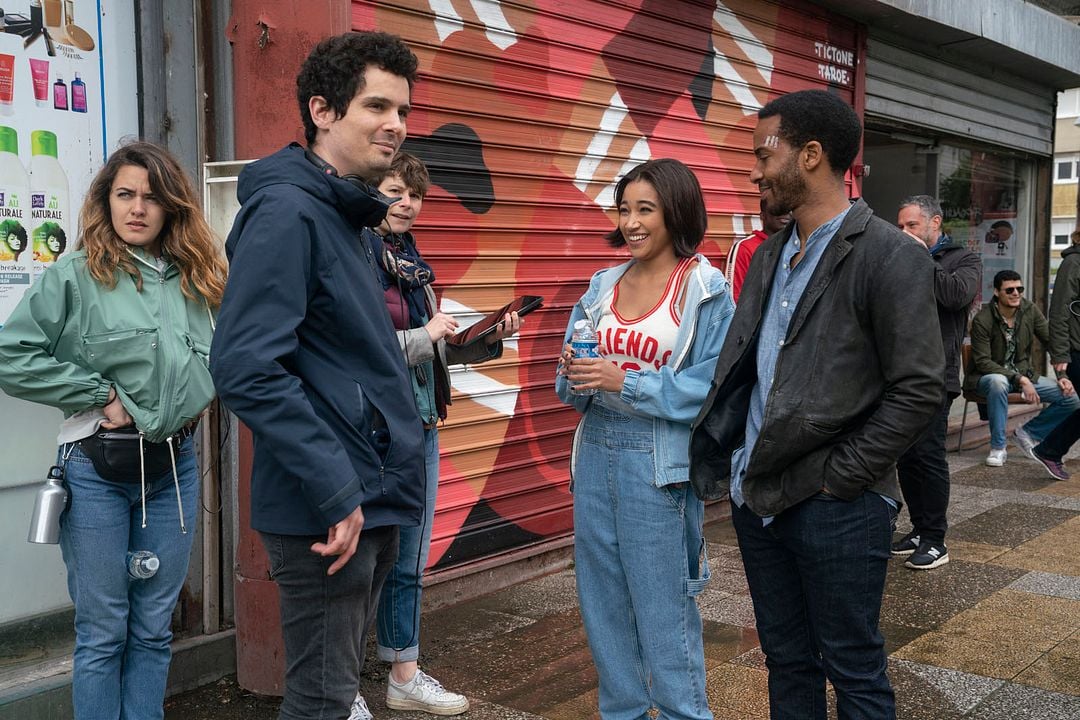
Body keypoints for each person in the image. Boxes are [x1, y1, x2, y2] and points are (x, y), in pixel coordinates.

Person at [690, 89, 945, 720]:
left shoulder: (889, 254)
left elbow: (920, 387)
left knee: (854, 669)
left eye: (763, 154)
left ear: (809, 154)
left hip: (838, 505)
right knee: (787, 662)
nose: (754, 171)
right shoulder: (770, 253)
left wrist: (843, 477)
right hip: (759, 496)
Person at [209, 32, 427, 720]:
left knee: (335, 694)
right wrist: (335, 488)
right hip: (329, 506)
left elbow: (348, 358)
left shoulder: (348, 216)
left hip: (368, 495)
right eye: (377, 106)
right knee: (322, 701)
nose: (395, 124)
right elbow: (245, 366)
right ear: (322, 111)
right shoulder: (289, 211)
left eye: (402, 110)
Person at [0, 141, 226, 719]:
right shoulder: (77, 276)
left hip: (173, 469)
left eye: (152, 197)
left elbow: (230, 356)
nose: (137, 208)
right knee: (104, 631)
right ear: (106, 201)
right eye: (125, 194)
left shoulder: (199, 279)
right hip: (95, 470)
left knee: (153, 629)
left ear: (172, 207)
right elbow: (10, 355)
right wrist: (98, 394)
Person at [556, 158, 734, 720]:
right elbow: (568, 383)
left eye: (645, 210)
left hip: (657, 460)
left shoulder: (704, 289)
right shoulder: (601, 285)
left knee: (664, 609)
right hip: (594, 451)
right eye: (624, 209)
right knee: (603, 606)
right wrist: (574, 371)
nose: (630, 223)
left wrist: (626, 381)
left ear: (676, 211)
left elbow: (713, 388)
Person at [353, 151, 519, 718]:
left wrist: (485, 338)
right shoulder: (354, 256)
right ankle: (342, 689)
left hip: (420, 425)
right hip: (371, 431)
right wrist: (425, 334)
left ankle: (403, 673)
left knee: (409, 561)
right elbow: (359, 351)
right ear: (368, 191)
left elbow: (430, 350)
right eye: (394, 191)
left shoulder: (411, 261)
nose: (406, 203)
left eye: (415, 195)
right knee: (360, 566)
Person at [892, 195, 981, 570]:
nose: (904, 232)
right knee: (906, 457)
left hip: (935, 374)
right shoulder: (898, 258)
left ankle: (935, 539)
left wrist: (918, 256)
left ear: (935, 223)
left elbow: (955, 296)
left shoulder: (963, 260)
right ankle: (918, 528)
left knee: (928, 457)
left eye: (911, 225)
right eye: (900, 226)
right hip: (898, 373)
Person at [965, 269, 1078, 467]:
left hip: (1023, 374)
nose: (1016, 293)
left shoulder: (1029, 310)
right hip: (987, 378)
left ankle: (1027, 433)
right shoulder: (983, 319)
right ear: (997, 292)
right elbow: (983, 362)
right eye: (1009, 290)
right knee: (998, 382)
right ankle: (998, 447)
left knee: (1072, 399)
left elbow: (1051, 342)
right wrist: (1021, 379)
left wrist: (1062, 375)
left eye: (1019, 289)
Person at [725, 196, 790, 303]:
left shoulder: (797, 247)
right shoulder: (745, 248)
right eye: (777, 208)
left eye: (789, 208)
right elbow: (733, 298)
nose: (785, 213)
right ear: (762, 215)